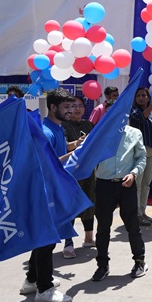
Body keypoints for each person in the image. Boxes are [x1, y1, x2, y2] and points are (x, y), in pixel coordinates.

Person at [21, 88, 75, 302]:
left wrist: (74, 147)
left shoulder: (57, 129)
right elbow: (47, 166)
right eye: (66, 107)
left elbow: (56, 155)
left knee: (44, 239)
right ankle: (44, 289)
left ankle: (32, 280)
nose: (71, 110)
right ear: (53, 107)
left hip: (53, 191)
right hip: (44, 194)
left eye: (72, 106)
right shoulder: (46, 132)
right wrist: (76, 155)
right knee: (47, 240)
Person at [92, 124, 148, 281]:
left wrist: (134, 174)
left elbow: (141, 157)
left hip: (126, 183)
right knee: (103, 227)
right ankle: (102, 265)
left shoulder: (135, 133)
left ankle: (139, 261)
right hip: (104, 184)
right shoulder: (99, 132)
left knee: (132, 225)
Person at [62, 96, 96, 249]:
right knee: (70, 206)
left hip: (88, 171)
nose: (77, 109)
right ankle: (68, 243)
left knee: (89, 203)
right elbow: (63, 147)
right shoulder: (63, 126)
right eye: (73, 106)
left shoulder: (89, 125)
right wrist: (77, 144)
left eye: (80, 106)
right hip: (70, 173)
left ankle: (89, 238)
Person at [129, 87, 152, 226]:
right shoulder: (134, 111)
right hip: (138, 151)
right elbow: (143, 117)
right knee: (137, 184)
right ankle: (136, 213)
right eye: (138, 96)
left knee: (146, 183)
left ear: (148, 97)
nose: (141, 98)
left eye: (144, 95)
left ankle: (142, 211)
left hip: (151, 148)